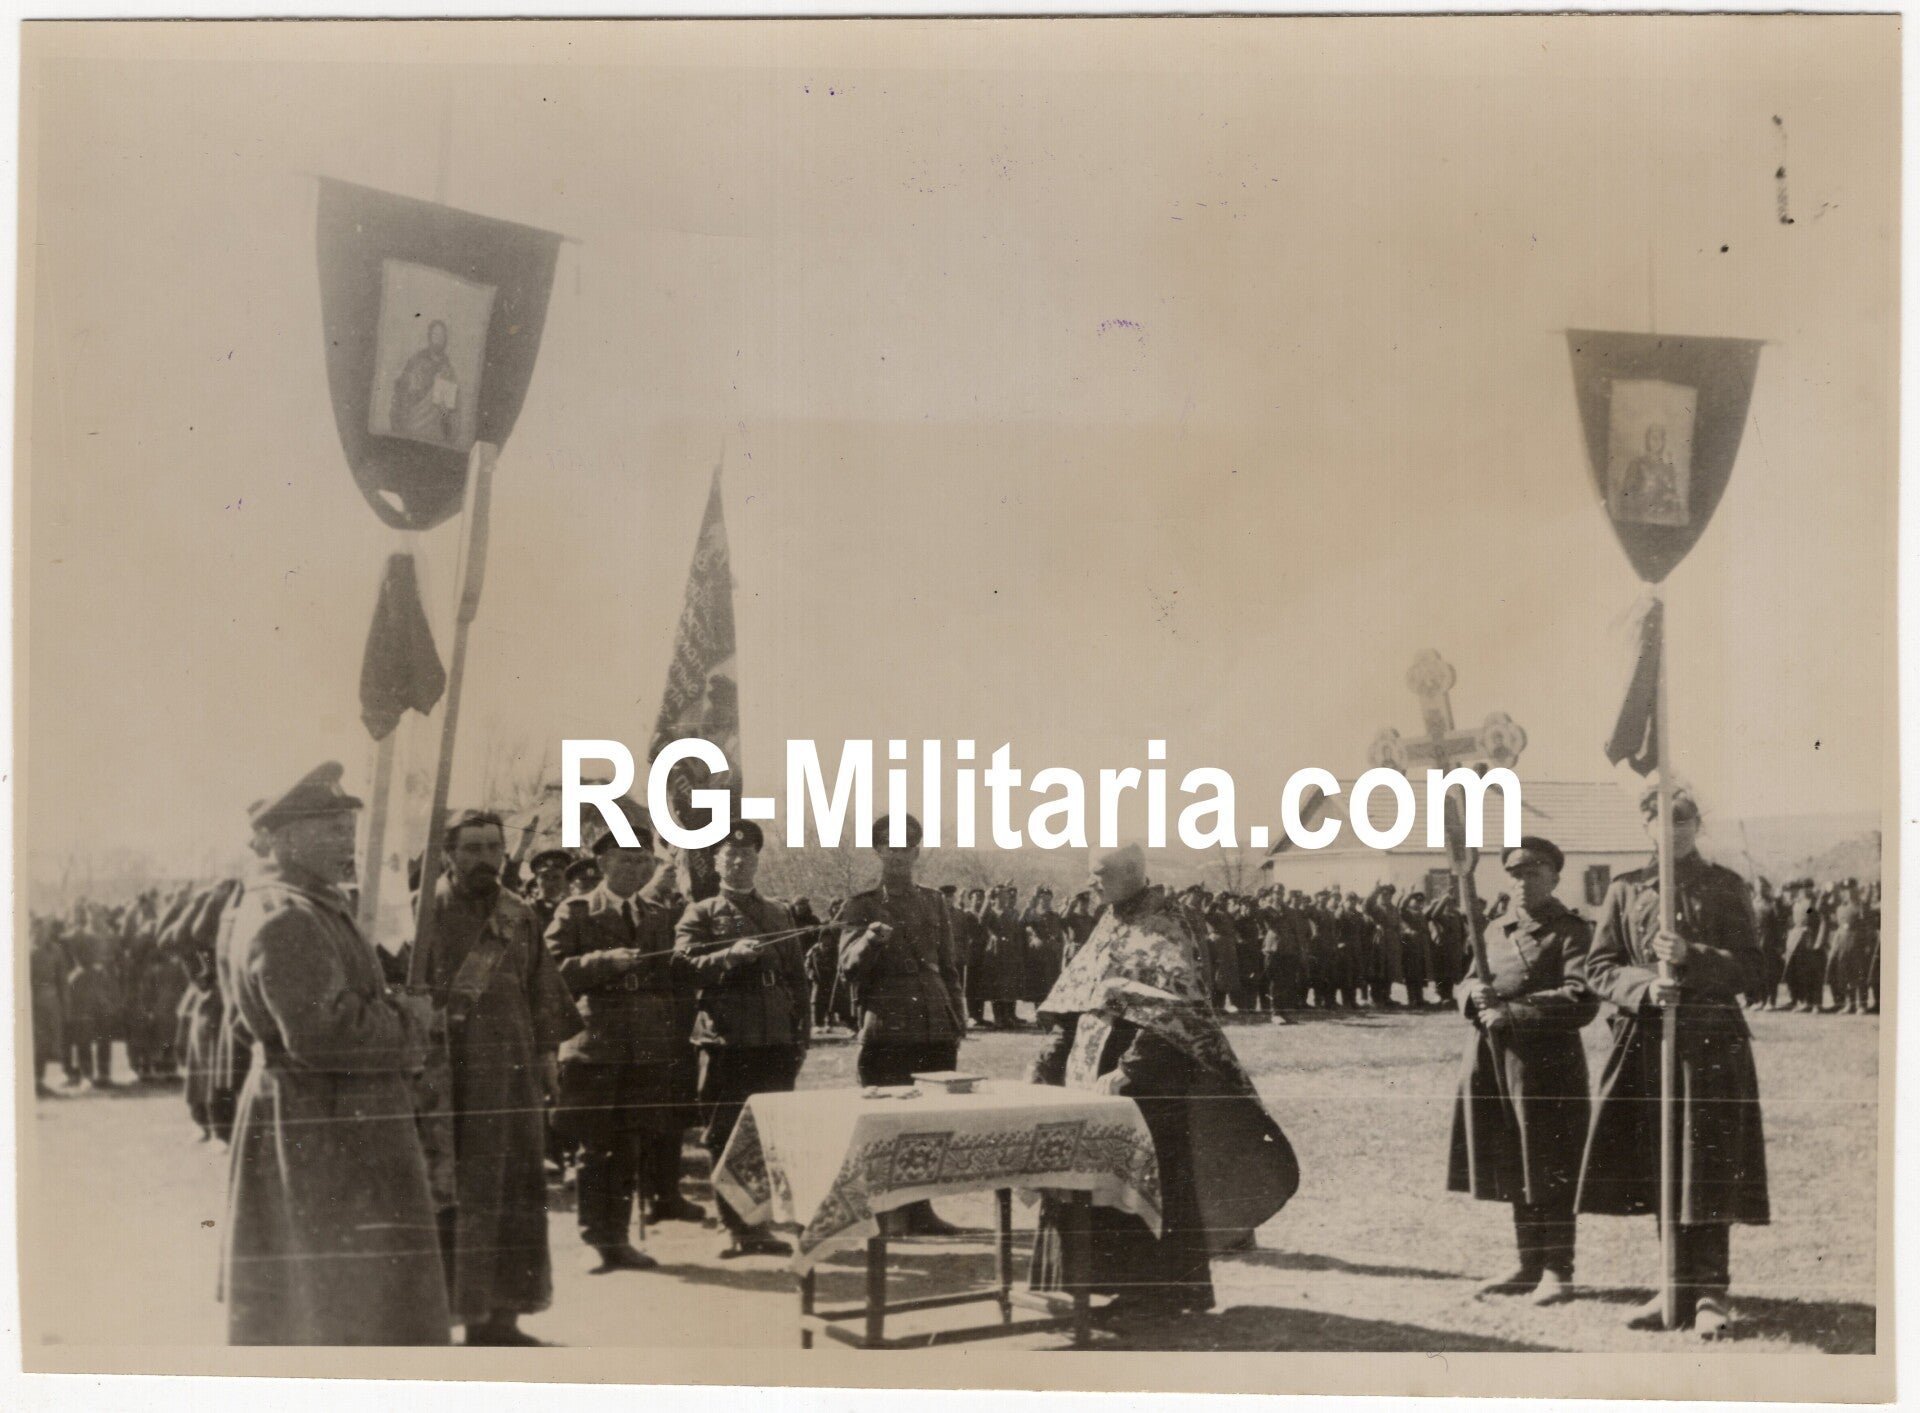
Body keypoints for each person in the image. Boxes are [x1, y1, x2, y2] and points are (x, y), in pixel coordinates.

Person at [220, 762, 449, 1345]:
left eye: (346, 827)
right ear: (285, 837)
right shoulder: (287, 915)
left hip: (333, 1117)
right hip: (324, 1123)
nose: (345, 840)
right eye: (328, 828)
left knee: (339, 1294)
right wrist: (409, 1019)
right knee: (335, 1301)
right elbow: (323, 1033)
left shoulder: (307, 905)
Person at [1029, 842, 1298, 1323]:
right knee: (1097, 1184)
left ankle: (1157, 1295)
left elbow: (1171, 1015)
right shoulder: (1109, 920)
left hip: (1150, 1081)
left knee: (1149, 1186)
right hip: (1091, 1077)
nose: (1092, 882)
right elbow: (1074, 1001)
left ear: (1133, 873)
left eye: (1100, 873)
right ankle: (1102, 1285)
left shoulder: (1169, 924)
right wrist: (1048, 1061)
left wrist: (1127, 1073)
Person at [1576, 785, 1769, 1339]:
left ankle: (1710, 1292)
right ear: (1644, 828)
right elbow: (1600, 967)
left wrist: (1694, 958)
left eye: (1682, 820)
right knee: (1660, 1163)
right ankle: (1672, 1284)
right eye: (1659, 820)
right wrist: (1643, 986)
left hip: (1712, 1045)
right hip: (1647, 1043)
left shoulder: (1726, 887)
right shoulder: (1625, 890)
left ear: (1696, 826)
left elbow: (1756, 969)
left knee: (1705, 1163)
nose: (1671, 830)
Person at [418, 810, 582, 1346]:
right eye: (471, 848)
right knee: (451, 1195)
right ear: (448, 855)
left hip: (511, 1082)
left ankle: (503, 1318)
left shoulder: (520, 914)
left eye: (492, 847)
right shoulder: (424, 915)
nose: (485, 858)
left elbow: (543, 993)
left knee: (514, 1192)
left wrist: (548, 1058)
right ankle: (446, 1316)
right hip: (448, 1084)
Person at [1448, 837, 1597, 1306]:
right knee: (1513, 1160)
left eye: (1532, 870)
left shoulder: (1570, 931)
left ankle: (1558, 1269)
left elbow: (1582, 997)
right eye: (1513, 871)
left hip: (1547, 1068)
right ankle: (1527, 1262)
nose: (1520, 879)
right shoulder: (1494, 929)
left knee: (1550, 1166)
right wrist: (1470, 995)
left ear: (1554, 877)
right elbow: (1468, 979)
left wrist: (1512, 1013)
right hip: (1494, 1060)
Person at [545, 812, 694, 1273]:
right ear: (603, 863)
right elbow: (550, 974)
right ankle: (599, 1238)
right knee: (596, 1144)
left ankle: (621, 1236)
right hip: (595, 1045)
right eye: (626, 862)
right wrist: (602, 962)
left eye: (643, 862)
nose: (636, 870)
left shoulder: (659, 914)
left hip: (645, 1045)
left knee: (629, 1141)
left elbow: (671, 978)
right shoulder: (576, 911)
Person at [675, 820, 810, 1258]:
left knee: (771, 1132)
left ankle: (763, 1222)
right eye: (729, 854)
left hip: (774, 1037)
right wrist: (727, 956)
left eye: (747, 854)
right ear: (715, 862)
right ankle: (733, 1225)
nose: (738, 861)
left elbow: (797, 978)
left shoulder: (778, 911)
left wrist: (801, 1032)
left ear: (757, 859)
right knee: (727, 1132)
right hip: (729, 1039)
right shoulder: (701, 913)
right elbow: (680, 967)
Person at [836, 814, 968, 1237]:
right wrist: (870, 940)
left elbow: (948, 965)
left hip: (934, 1022)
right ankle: (885, 1213)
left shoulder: (934, 902)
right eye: (889, 847)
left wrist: (957, 1014)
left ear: (916, 852)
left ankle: (920, 1210)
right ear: (877, 851)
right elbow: (847, 969)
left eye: (906, 848)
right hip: (889, 1024)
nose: (898, 856)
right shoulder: (860, 905)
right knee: (887, 1120)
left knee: (929, 1122)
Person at [391, 318, 459, 443]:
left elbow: (446, 410)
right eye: (435, 335)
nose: (439, 338)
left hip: (436, 426)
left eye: (442, 335)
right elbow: (402, 391)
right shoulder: (416, 361)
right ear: (429, 337)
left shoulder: (448, 370)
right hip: (414, 420)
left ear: (445, 339)